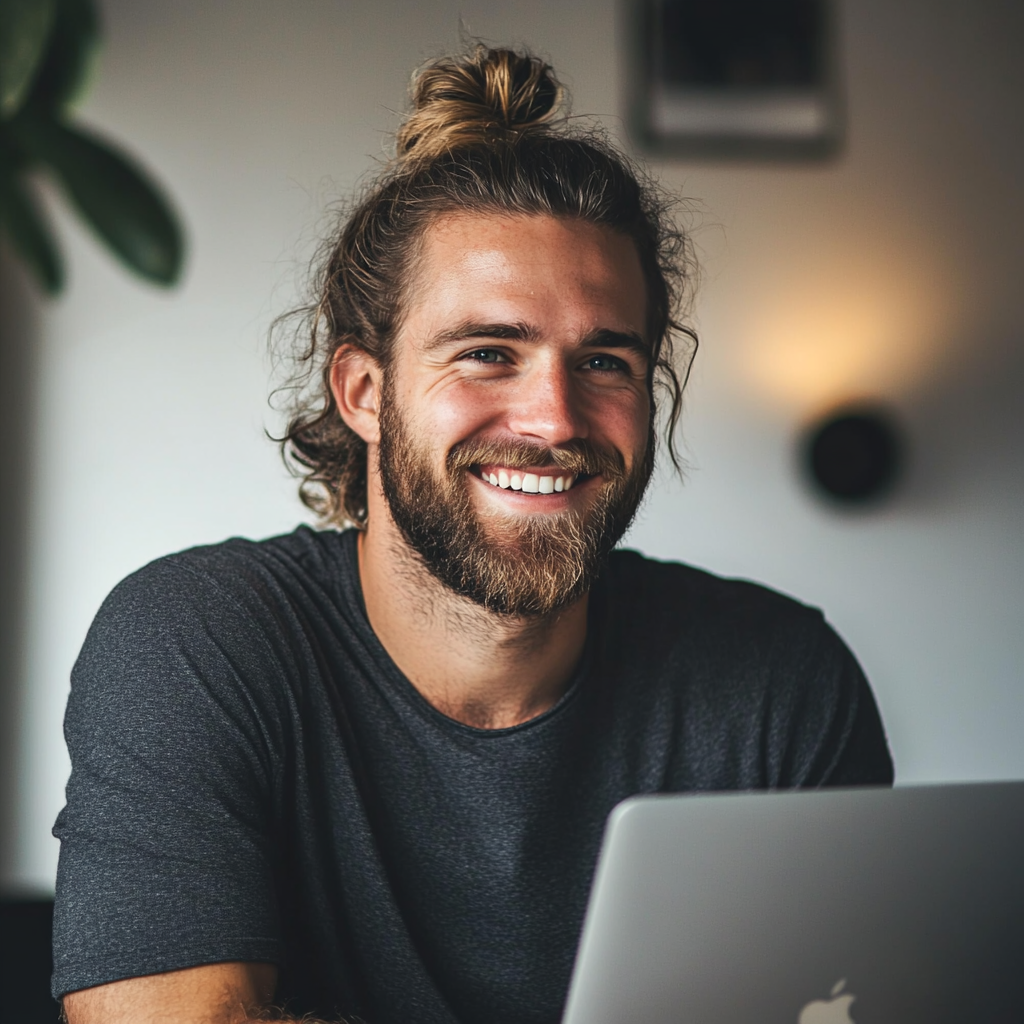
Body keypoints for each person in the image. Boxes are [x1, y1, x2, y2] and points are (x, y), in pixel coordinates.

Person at [54, 45, 893, 1024]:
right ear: (364, 392)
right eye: (489, 353)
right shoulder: (194, 643)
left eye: (606, 362)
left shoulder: (780, 682)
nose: (554, 418)